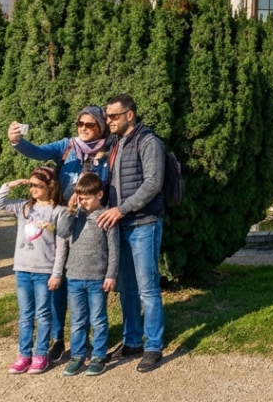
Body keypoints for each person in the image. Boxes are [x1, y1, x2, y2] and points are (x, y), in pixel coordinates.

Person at [6, 105, 111, 360]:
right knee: (59, 280)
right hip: (64, 220)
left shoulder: (109, 150)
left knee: (89, 279)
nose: (83, 129)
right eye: (80, 124)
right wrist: (17, 141)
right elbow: (37, 151)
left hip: (93, 223)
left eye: (90, 125)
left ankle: (87, 338)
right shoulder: (67, 146)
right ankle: (58, 337)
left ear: (100, 127)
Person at [95, 94, 166, 372]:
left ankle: (153, 346)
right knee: (127, 289)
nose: (108, 121)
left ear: (129, 115)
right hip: (120, 225)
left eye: (113, 116)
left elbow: (153, 183)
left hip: (143, 223)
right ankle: (132, 341)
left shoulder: (148, 141)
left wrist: (121, 209)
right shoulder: (114, 142)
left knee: (148, 288)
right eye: (107, 116)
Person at [0, 165, 69, 375]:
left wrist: (57, 273)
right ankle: (24, 354)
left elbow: (61, 245)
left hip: (44, 271)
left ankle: (40, 354)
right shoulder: (24, 207)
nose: (33, 189)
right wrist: (9, 185)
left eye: (38, 186)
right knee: (25, 314)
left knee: (43, 314)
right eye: (31, 185)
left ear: (50, 186)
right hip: (23, 269)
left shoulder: (59, 211)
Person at [62, 172, 119, 377]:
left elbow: (114, 250)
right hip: (74, 276)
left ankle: (98, 356)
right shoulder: (76, 216)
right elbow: (62, 232)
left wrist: (111, 275)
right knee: (78, 319)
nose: (82, 202)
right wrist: (70, 211)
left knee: (98, 319)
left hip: (97, 278)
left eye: (86, 198)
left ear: (99, 195)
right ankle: (77, 355)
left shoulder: (106, 217)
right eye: (80, 198)